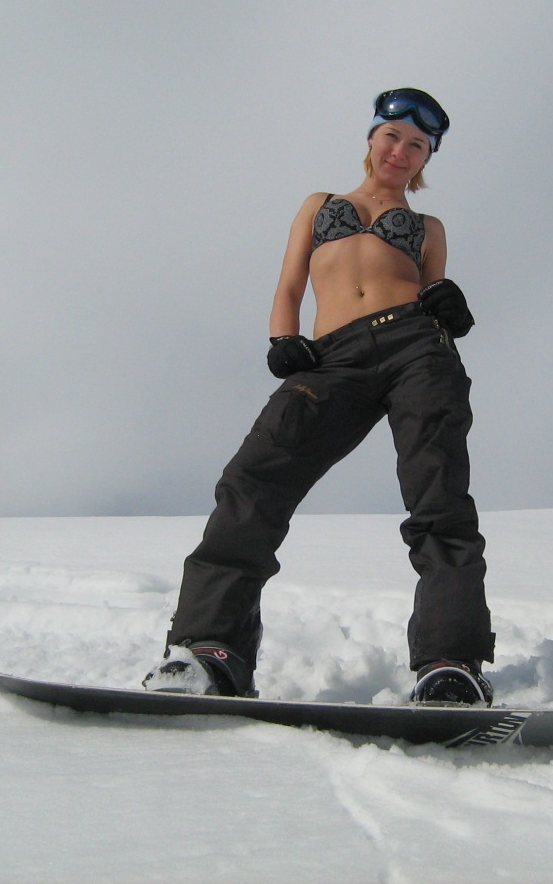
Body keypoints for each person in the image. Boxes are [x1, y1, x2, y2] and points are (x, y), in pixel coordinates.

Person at [143, 88, 495, 705]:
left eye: (418, 145)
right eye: (393, 136)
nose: (401, 151)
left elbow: (436, 290)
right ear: (372, 138)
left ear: (426, 159)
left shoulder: (428, 227)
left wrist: (451, 308)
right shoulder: (320, 205)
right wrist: (283, 338)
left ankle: (450, 663)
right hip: (333, 358)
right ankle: (211, 650)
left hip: (417, 347)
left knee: (438, 493)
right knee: (254, 479)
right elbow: (290, 284)